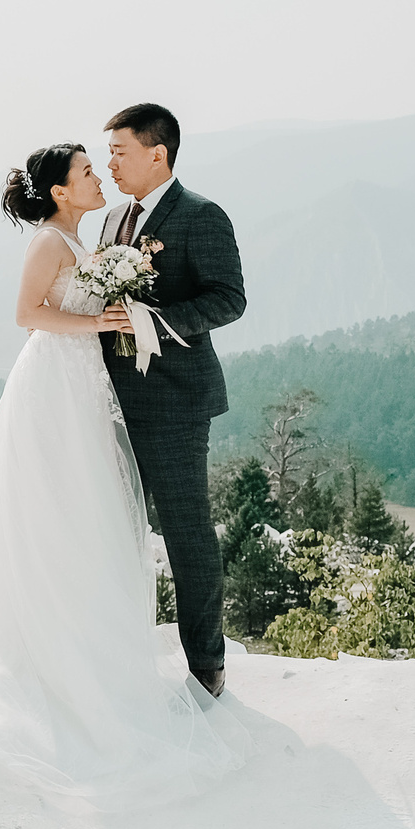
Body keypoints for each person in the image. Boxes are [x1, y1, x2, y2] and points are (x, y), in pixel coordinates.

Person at [0, 137, 243, 809]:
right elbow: (27, 314)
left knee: (101, 518)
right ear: (61, 191)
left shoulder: (103, 230)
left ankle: (131, 661)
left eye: (109, 159)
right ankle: (52, 663)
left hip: (100, 388)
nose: (103, 172)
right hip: (57, 385)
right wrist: (98, 320)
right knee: (58, 512)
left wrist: (123, 319)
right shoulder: (55, 239)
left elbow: (220, 298)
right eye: (91, 168)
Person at [97, 101, 246, 697]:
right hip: (111, 401)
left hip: (177, 402)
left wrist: (152, 322)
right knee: (111, 530)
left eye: (119, 152)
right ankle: (115, 658)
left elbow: (229, 299)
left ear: (157, 153)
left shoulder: (201, 216)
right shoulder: (112, 220)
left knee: (187, 534)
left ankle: (206, 667)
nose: (110, 164)